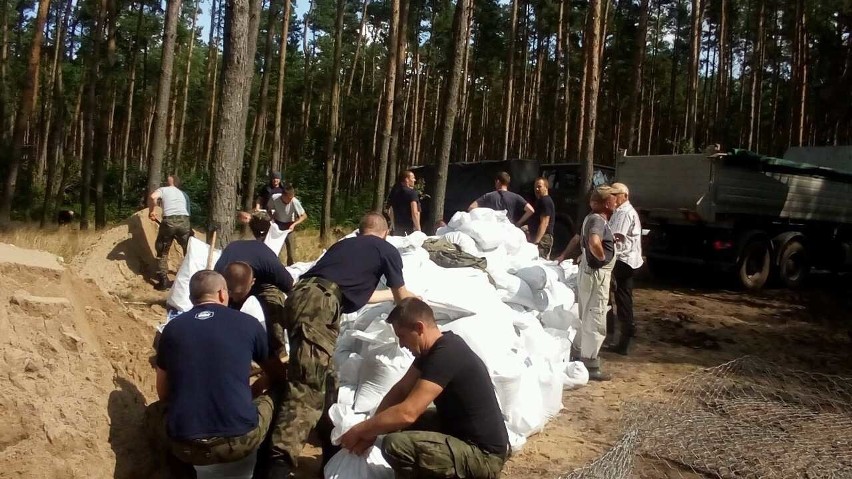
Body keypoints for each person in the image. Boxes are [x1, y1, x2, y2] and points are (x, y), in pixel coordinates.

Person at [266, 212, 416, 479]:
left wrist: (390, 298)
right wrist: (420, 305)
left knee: (328, 380)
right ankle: (277, 465)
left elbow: (352, 290)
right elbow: (402, 298)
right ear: (385, 232)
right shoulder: (386, 249)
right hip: (319, 305)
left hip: (300, 297)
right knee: (307, 387)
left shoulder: (344, 246)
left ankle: (330, 449)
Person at [340, 298, 509, 479]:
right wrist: (374, 428)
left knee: (396, 445)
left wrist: (361, 430)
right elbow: (401, 389)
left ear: (419, 328)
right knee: (392, 422)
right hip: (462, 435)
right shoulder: (436, 348)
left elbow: (407, 413)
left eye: (402, 336)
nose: (402, 344)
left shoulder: (446, 354)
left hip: (483, 456)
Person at [145, 270, 276, 468]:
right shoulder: (249, 324)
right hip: (239, 442)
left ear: (190, 299)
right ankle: (272, 467)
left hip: (185, 445)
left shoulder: (172, 329)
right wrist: (256, 389)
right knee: (277, 395)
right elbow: (277, 374)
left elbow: (163, 393)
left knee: (155, 412)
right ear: (223, 294)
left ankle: (174, 471)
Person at [556, 186, 616, 381]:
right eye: (613, 200)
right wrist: (601, 258)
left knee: (587, 314)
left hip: (589, 272)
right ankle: (590, 362)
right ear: (607, 203)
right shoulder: (598, 220)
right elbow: (594, 241)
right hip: (596, 274)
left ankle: (579, 352)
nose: (616, 203)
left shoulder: (591, 217)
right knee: (596, 316)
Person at [605, 182, 643, 355]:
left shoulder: (624, 213)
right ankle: (618, 336)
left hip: (623, 261)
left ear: (625, 196)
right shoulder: (621, 212)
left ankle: (623, 339)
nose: (613, 197)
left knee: (620, 299)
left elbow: (615, 238)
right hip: (625, 260)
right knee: (621, 298)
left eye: (615, 194)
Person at [148, 175, 193, 291]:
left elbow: (153, 197)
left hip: (169, 222)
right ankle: (191, 279)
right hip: (185, 221)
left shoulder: (163, 190)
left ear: (170, 182)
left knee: (162, 250)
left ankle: (163, 282)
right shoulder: (184, 194)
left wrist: (152, 211)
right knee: (188, 250)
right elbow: (188, 211)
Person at [468, 171, 535, 226]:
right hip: (509, 229)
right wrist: (519, 223)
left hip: (493, 228)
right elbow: (531, 210)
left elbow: (471, 207)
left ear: (497, 181)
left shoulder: (488, 196)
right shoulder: (516, 197)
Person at [270, 184, 308, 265]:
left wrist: (294, 224)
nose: (291, 200)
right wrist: (272, 217)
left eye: (292, 197)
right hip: (277, 225)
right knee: (277, 249)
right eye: (289, 198)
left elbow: (304, 216)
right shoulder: (274, 198)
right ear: (283, 195)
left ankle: (291, 268)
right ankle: (277, 268)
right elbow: (269, 209)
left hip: (289, 226)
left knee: (291, 250)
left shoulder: (294, 201)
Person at [525, 177, 556, 259]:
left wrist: (536, 242)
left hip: (543, 239)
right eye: (535, 187)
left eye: (539, 186)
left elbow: (544, 223)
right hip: (538, 238)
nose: (537, 189)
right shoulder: (540, 200)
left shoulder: (545, 201)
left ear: (546, 187)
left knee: (540, 262)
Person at [387, 170, 421, 236]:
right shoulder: (412, 193)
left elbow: (389, 210)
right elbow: (415, 212)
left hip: (397, 228)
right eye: (413, 178)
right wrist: (418, 229)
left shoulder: (394, 193)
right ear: (407, 180)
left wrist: (392, 225)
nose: (414, 180)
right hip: (410, 228)